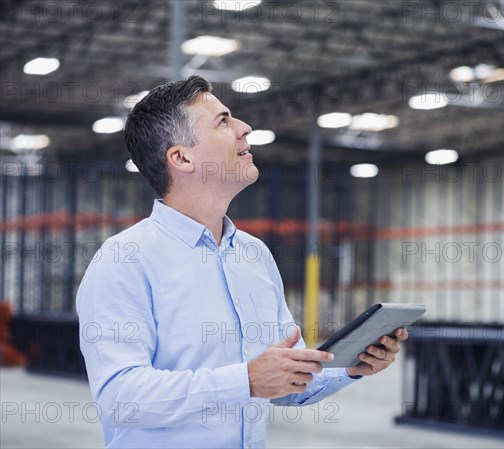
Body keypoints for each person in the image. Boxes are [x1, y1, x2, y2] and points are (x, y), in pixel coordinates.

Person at [77, 76, 408, 448]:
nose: (244, 128)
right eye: (222, 120)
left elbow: (283, 382)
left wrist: (348, 365)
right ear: (182, 157)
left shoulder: (254, 255)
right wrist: (246, 380)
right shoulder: (125, 260)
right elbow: (120, 398)